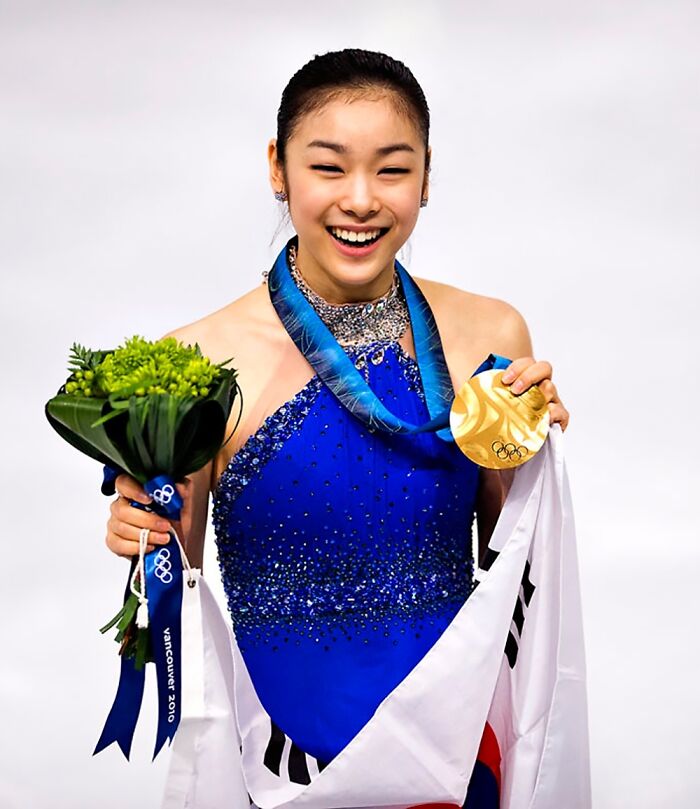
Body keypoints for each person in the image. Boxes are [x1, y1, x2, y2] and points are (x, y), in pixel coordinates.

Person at [105, 49, 571, 807]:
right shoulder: (196, 365)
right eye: (329, 167)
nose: (361, 200)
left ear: (426, 174)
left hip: (450, 761)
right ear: (277, 169)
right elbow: (177, 596)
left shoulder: (486, 330)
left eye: (392, 169)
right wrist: (138, 530)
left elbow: (513, 570)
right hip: (284, 767)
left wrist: (528, 454)